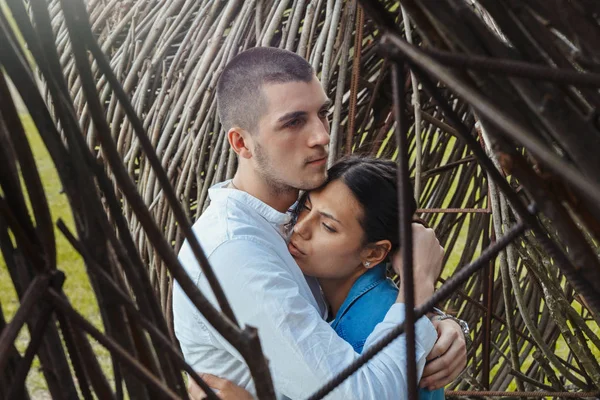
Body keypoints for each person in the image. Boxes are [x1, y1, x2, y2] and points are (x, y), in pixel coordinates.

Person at [173, 47, 467, 399]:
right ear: (242, 143)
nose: (322, 136)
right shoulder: (234, 252)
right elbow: (358, 394)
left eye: (322, 114)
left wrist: (443, 324)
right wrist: (418, 288)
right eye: (294, 122)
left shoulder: (292, 218)